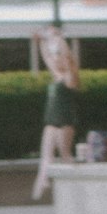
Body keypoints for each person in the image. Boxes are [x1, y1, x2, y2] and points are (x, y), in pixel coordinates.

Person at [31, 24, 80, 201]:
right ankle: (38, 191)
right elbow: (46, 58)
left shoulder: (69, 78)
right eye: (55, 56)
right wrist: (42, 42)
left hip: (65, 121)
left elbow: (66, 56)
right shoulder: (56, 77)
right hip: (51, 120)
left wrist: (58, 40)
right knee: (46, 156)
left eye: (57, 56)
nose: (55, 59)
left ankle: (77, 186)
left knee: (65, 155)